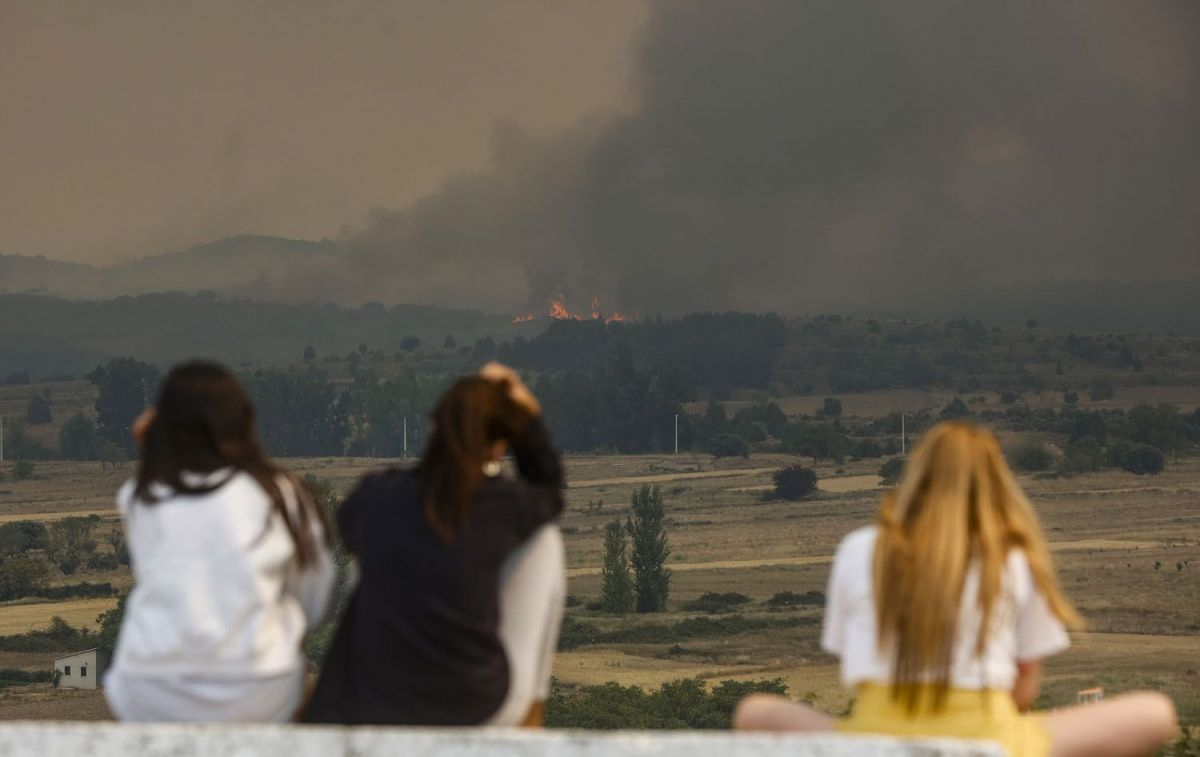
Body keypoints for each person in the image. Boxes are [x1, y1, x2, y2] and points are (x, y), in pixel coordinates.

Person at [734, 422, 1177, 757]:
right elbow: (1025, 688)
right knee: (1155, 712)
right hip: (991, 738)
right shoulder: (1011, 556)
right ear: (996, 482)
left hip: (874, 739)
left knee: (755, 712)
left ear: (917, 476)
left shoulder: (860, 548)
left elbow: (853, 664)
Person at [303, 362, 566, 726]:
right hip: (470, 702)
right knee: (545, 539)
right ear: (499, 444)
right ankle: (529, 725)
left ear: (434, 428)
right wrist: (528, 420)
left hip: (367, 698)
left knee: (376, 548)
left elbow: (350, 525)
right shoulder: (504, 506)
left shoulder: (377, 496)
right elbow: (551, 490)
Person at [104, 361, 335, 722]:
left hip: (149, 690)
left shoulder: (140, 496)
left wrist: (148, 439)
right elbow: (314, 602)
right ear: (245, 423)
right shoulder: (282, 494)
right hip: (258, 689)